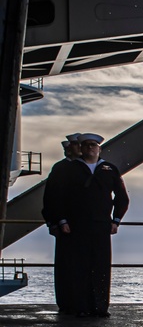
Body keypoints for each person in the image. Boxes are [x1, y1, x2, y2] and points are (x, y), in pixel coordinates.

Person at [57, 133, 130, 317]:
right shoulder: (69, 169)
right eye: (87, 145)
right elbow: (56, 197)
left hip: (101, 225)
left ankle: (100, 306)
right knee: (79, 266)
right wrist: (62, 220)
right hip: (76, 225)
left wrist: (116, 220)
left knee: (101, 265)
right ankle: (80, 306)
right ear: (81, 148)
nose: (91, 148)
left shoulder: (109, 169)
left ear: (100, 148)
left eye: (94, 145)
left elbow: (122, 198)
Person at [41, 133, 81, 313]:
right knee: (67, 265)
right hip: (67, 224)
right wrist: (54, 222)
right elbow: (51, 198)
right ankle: (68, 302)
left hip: (77, 224)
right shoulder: (62, 169)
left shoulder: (67, 168)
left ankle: (76, 301)